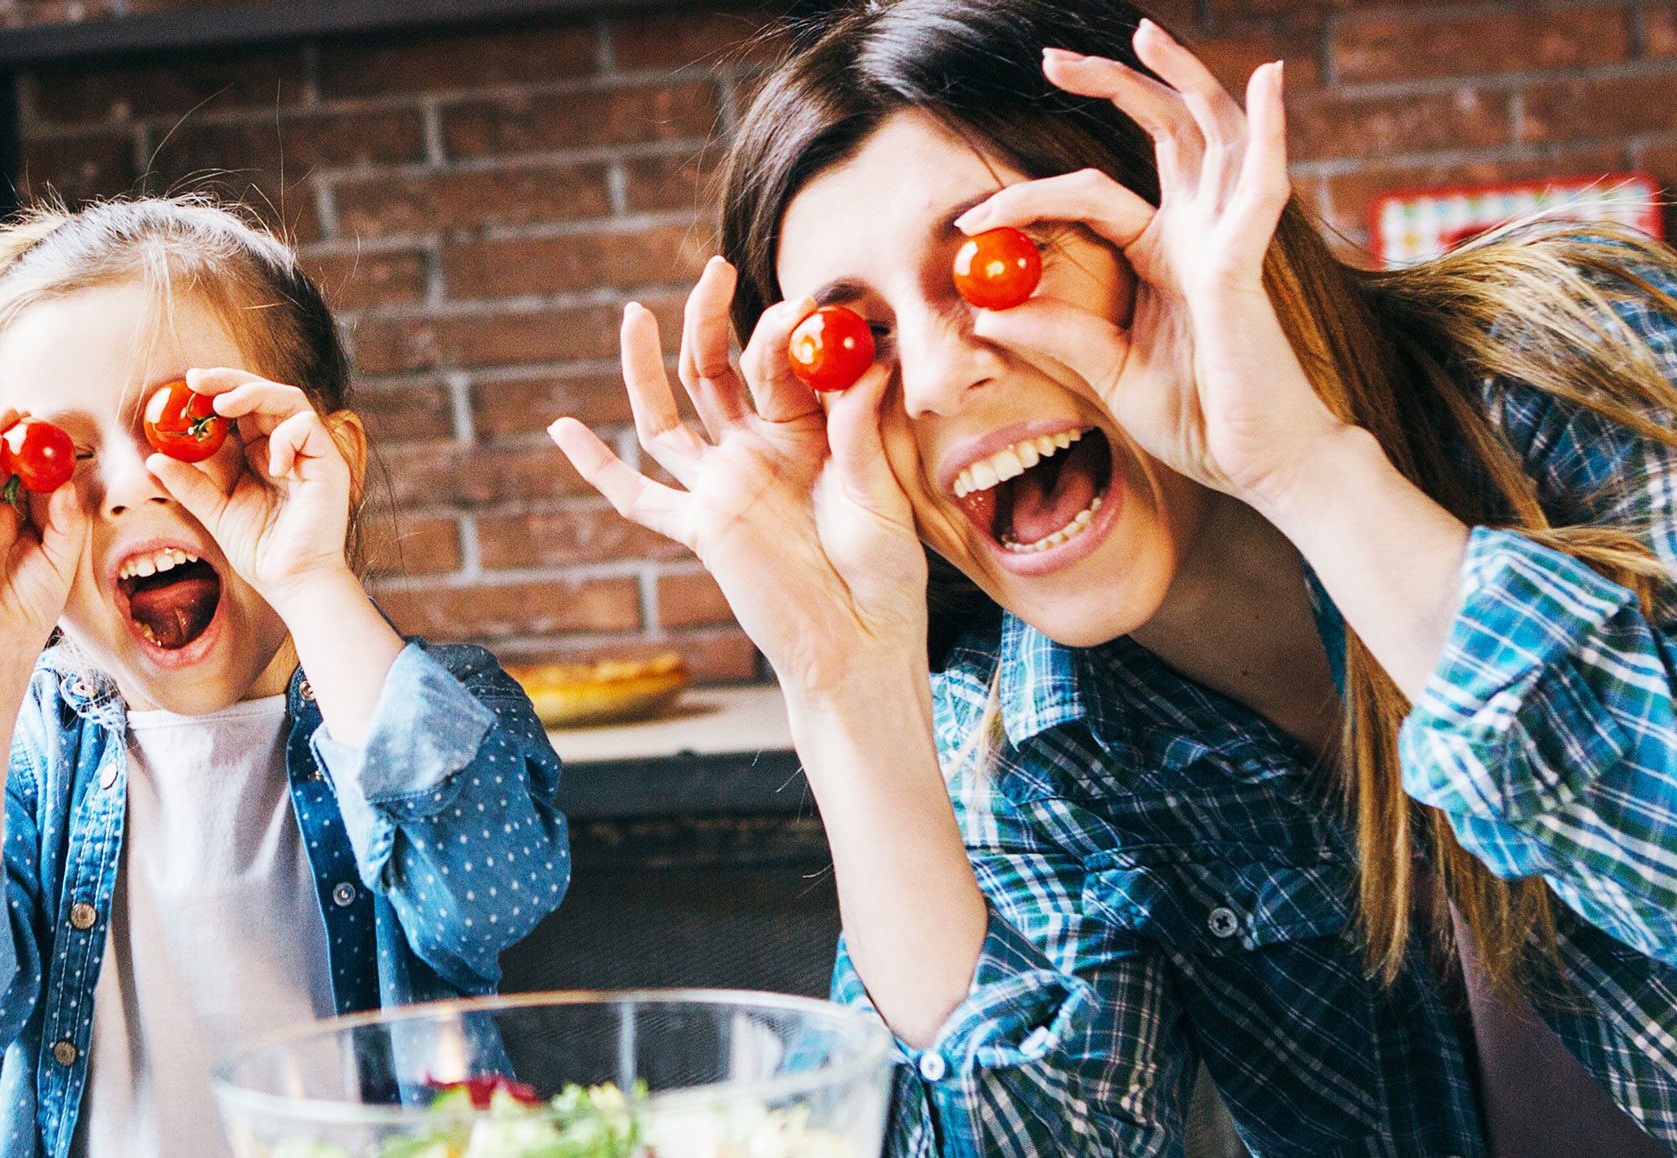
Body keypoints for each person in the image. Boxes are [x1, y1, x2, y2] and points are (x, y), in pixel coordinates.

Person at [548, 0, 1677, 1154]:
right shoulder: (1022, 747)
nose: (934, 379)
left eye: (1002, 261)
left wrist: (1301, 467)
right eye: (853, 339)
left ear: (1163, 223)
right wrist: (845, 689)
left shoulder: (1579, 359)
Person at [0, 196, 570, 1158]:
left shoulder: (426, 704)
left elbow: (490, 896)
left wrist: (309, 574)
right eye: (61, 454)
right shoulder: (34, 748)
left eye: (182, 425)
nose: (126, 485)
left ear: (322, 459)